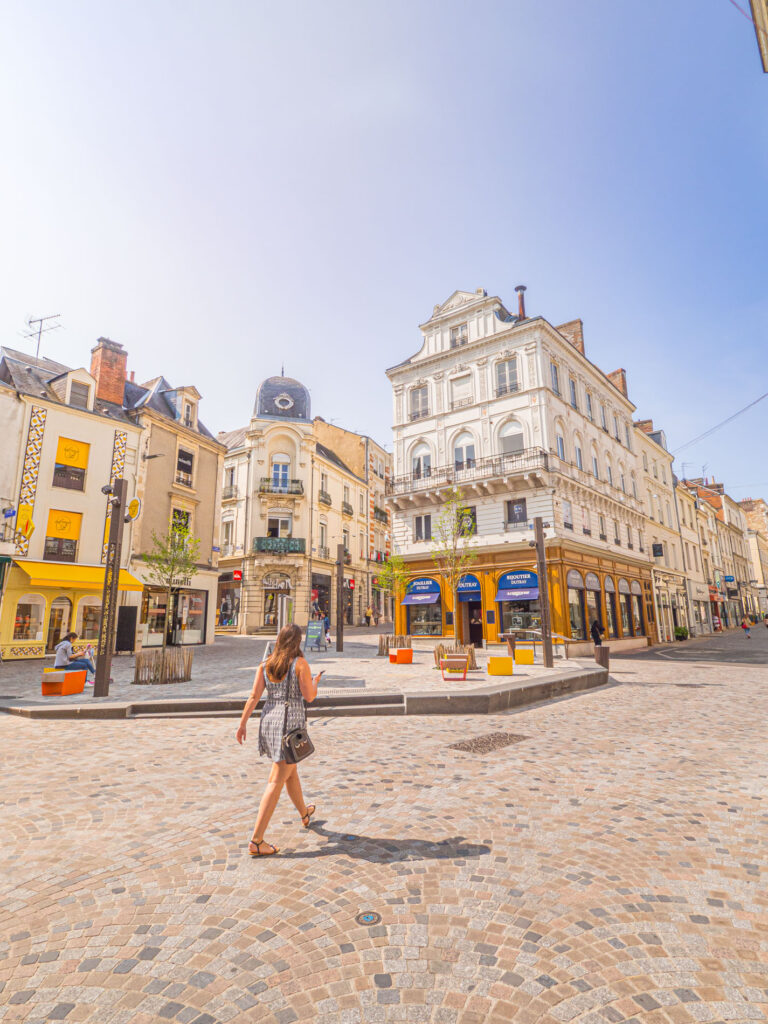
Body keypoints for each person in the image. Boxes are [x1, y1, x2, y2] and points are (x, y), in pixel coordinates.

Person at [236, 624, 323, 857]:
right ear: (297, 642)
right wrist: (315, 682)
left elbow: (254, 696)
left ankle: (304, 813)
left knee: (290, 771)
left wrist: (242, 723)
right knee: (276, 779)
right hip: (289, 726)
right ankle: (257, 840)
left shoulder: (266, 665)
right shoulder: (300, 664)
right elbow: (309, 697)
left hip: (270, 722)